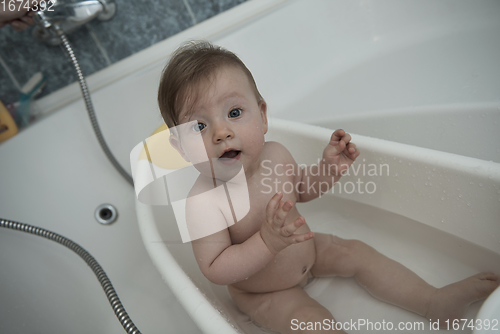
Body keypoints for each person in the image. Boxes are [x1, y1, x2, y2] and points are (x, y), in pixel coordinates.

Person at [157, 41, 498, 334]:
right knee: (315, 323)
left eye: (234, 112)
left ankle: (433, 302)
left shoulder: (276, 154)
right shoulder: (203, 201)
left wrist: (328, 169)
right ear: (181, 147)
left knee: (358, 253)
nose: (221, 132)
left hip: (310, 251)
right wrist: (265, 242)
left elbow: (302, 188)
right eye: (199, 125)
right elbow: (215, 268)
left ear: (262, 116)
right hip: (266, 293)